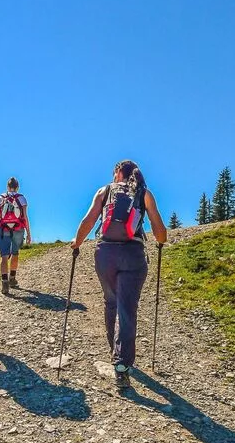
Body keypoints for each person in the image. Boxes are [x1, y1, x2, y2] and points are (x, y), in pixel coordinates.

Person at [70, 160, 167, 388]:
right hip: (133, 254)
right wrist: (161, 240)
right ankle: (122, 365)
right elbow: (160, 233)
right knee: (127, 308)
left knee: (111, 302)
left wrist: (77, 243)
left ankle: (115, 350)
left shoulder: (105, 191)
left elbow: (89, 220)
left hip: (106, 254)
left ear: (117, 173)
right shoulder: (144, 193)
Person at [0, 177, 31, 294]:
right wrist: (29, 233)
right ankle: (12, 279)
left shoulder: (1, 198)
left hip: (3, 229)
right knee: (15, 253)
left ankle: (5, 283)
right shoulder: (22, 199)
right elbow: (25, 217)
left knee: (3, 256)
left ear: (7, 187)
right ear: (17, 187)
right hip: (18, 229)